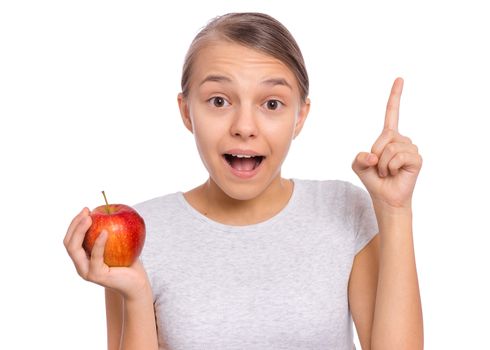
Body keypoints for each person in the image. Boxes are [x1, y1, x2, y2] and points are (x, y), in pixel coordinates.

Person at [63, 12, 423, 350]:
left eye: (271, 104)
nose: (244, 127)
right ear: (187, 111)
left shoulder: (344, 209)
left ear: (300, 117)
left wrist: (394, 210)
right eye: (219, 100)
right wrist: (136, 295)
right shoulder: (139, 233)